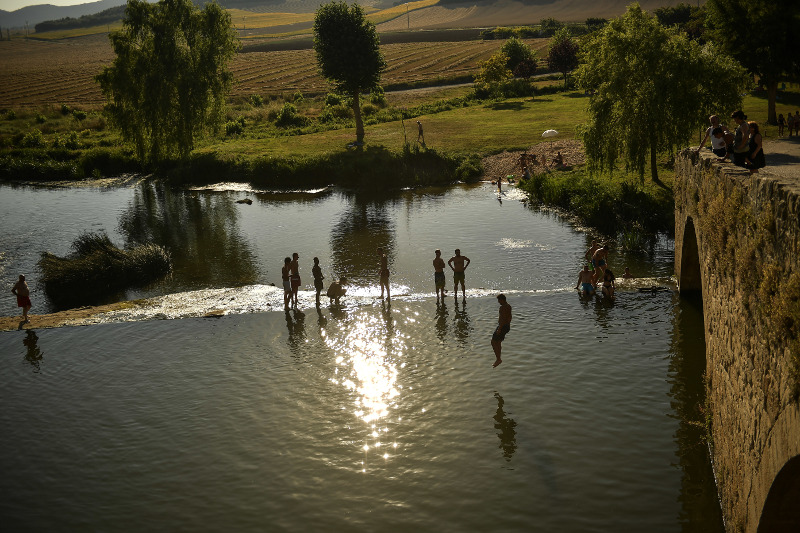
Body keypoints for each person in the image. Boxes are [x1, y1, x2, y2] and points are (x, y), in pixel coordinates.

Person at [491, 294, 512, 368]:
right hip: (507, 326)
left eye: (499, 300)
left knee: (493, 342)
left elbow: (503, 319)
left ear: (502, 300)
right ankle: (498, 359)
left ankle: (498, 359)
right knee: (498, 341)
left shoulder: (503, 307)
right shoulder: (509, 306)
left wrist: (500, 328)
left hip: (502, 326)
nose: (498, 302)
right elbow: (510, 317)